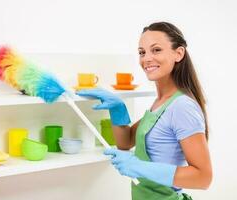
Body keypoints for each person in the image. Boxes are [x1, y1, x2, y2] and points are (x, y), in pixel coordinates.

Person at [76, 22, 212, 200]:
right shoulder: (161, 103)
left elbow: (203, 178)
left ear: (178, 54)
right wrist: (118, 109)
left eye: (156, 50)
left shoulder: (182, 106)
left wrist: (138, 166)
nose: (146, 58)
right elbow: (126, 142)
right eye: (142, 52)